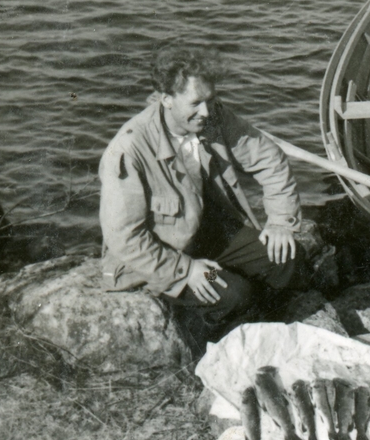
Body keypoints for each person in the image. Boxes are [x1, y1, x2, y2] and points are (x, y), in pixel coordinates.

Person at [99, 43, 302, 350]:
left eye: (210, 99)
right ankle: (203, 349)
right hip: (159, 256)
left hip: (206, 236)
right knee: (232, 293)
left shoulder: (213, 116)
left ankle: (256, 332)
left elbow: (269, 159)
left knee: (287, 259)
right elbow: (125, 237)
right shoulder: (130, 149)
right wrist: (186, 270)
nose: (206, 112)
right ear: (166, 99)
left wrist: (280, 222)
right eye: (195, 103)